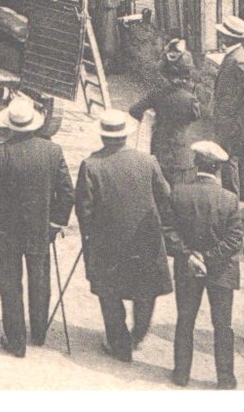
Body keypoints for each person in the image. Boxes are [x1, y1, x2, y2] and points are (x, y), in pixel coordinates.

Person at [0, 96, 73, 357]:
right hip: (40, 229)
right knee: (40, 280)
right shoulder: (53, 151)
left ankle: (16, 342)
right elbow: (68, 193)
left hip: (5, 230)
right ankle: (39, 333)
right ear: (34, 125)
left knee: (9, 283)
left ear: (10, 126)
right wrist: (56, 222)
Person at [74, 109, 173, 363]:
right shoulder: (148, 161)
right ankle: (137, 335)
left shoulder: (91, 165)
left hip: (107, 242)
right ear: (125, 136)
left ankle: (119, 344)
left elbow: (84, 210)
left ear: (103, 136)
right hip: (145, 239)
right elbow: (166, 198)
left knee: (110, 291)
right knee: (145, 289)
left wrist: (90, 237)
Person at [163, 141, 244, 389]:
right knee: (223, 325)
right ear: (218, 169)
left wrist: (191, 256)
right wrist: (208, 257)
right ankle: (225, 378)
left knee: (185, 319)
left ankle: (181, 374)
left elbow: (168, 230)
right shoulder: (230, 199)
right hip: (221, 270)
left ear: (195, 164)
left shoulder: (179, 191)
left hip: (187, 268)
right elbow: (235, 239)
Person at [129, 46, 201, 190]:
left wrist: (151, 118)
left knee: (160, 192)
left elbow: (134, 110)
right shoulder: (190, 100)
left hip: (159, 150)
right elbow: (195, 117)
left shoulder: (156, 95)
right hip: (182, 154)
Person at [210, 16, 244, 197]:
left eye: (223, 34)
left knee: (228, 158)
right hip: (228, 117)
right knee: (237, 158)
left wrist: (238, 115)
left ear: (229, 37)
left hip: (231, 118)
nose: (220, 37)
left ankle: (231, 197)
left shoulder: (239, 59)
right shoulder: (237, 55)